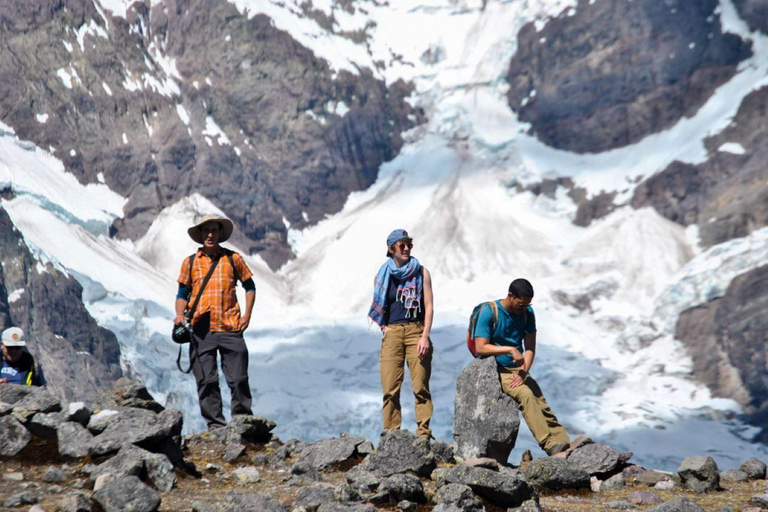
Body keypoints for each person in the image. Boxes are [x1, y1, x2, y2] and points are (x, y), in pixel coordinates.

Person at [174, 214, 256, 430]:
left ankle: (243, 423)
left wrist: (247, 315)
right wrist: (180, 315)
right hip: (200, 329)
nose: (210, 235)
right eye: (206, 231)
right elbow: (182, 293)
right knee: (206, 382)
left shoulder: (233, 259)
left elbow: (250, 286)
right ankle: (216, 427)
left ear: (220, 234)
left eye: (214, 231)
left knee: (238, 379)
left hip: (230, 326)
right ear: (201, 234)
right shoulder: (190, 263)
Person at [473, 278, 571, 456]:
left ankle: (565, 444)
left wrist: (523, 371)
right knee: (525, 395)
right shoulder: (489, 312)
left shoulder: (527, 313)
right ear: (510, 296)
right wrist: (510, 350)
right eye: (520, 304)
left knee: (540, 401)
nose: (523, 308)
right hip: (496, 369)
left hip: (518, 368)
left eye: (527, 304)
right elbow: (480, 346)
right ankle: (549, 445)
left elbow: (530, 348)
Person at [368, 229, 435, 438]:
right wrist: (384, 328)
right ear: (391, 249)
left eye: (409, 244)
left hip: (416, 330)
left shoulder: (421, 272)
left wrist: (425, 335)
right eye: (402, 245)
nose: (406, 248)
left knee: (420, 387)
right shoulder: (382, 274)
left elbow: (429, 306)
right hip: (393, 332)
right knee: (390, 388)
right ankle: (391, 434)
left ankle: (423, 434)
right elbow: (380, 304)